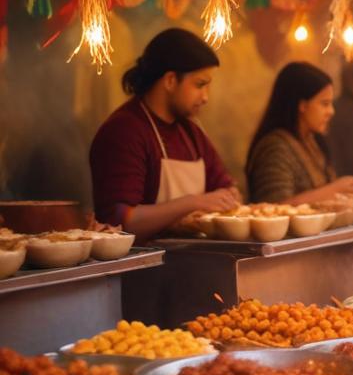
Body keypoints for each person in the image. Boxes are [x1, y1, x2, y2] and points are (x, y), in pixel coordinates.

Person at [89, 28, 240, 239]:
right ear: (170, 80)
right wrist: (192, 202)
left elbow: (226, 188)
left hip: (195, 260)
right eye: (199, 85)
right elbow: (117, 220)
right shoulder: (124, 131)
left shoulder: (191, 132)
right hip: (145, 267)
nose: (206, 97)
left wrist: (228, 196)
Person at [245, 62, 353, 204]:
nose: (331, 111)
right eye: (324, 104)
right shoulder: (275, 148)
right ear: (302, 105)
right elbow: (274, 207)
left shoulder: (313, 141)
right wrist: (335, 189)